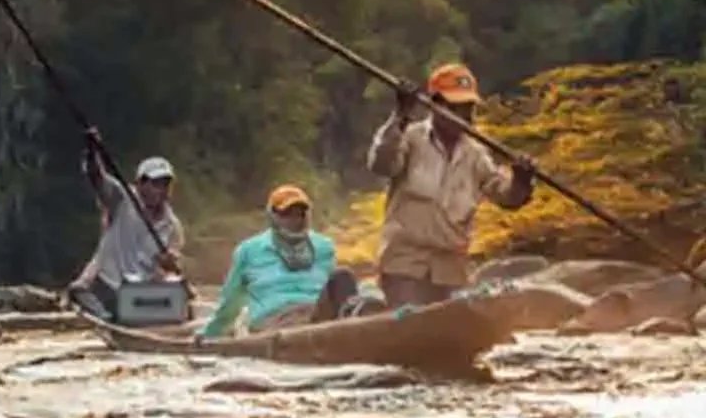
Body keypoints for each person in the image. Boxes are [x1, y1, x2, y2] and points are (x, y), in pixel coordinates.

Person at [365, 62, 534, 308]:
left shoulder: (476, 155)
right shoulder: (409, 138)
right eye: (455, 108)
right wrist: (400, 114)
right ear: (434, 105)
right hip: (405, 266)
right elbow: (381, 164)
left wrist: (522, 179)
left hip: (451, 271)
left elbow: (508, 198)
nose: (463, 116)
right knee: (412, 328)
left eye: (468, 109)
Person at [200, 184, 362, 339]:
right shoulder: (249, 250)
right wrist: (209, 334)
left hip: (315, 313)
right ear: (273, 216)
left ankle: (361, 323)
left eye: (300, 214)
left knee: (343, 276)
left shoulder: (324, 246)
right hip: (273, 320)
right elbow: (230, 303)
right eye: (287, 214)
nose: (294, 220)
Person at [66, 129, 184, 321]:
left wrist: (169, 263)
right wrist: (92, 151)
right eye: (156, 184)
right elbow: (97, 177)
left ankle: (132, 319)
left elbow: (170, 266)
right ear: (140, 184)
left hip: (139, 293)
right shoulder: (121, 199)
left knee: (172, 298)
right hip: (109, 284)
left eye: (165, 184)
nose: (161, 190)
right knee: (79, 292)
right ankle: (108, 318)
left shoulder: (172, 226)